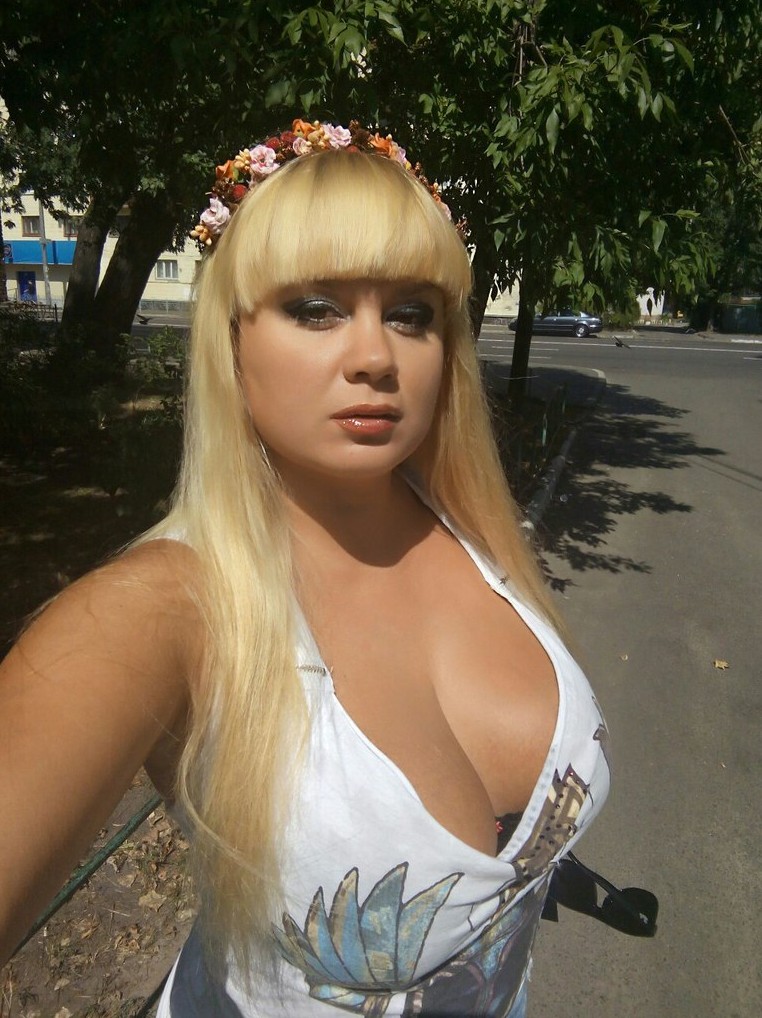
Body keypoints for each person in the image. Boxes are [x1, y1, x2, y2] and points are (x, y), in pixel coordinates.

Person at [0, 120, 610, 1016]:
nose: (375, 357)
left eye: (411, 314)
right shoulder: (157, 613)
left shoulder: (476, 532)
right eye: (316, 308)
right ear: (231, 340)